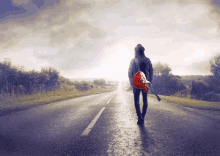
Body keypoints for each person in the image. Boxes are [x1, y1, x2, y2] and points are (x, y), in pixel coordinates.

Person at [128, 44, 153, 125]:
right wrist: (150, 81)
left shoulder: (133, 60)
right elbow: (151, 71)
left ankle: (140, 117)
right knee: (145, 100)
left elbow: (129, 72)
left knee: (136, 101)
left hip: (136, 83)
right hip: (145, 83)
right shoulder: (148, 60)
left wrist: (131, 82)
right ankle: (142, 117)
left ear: (136, 51)